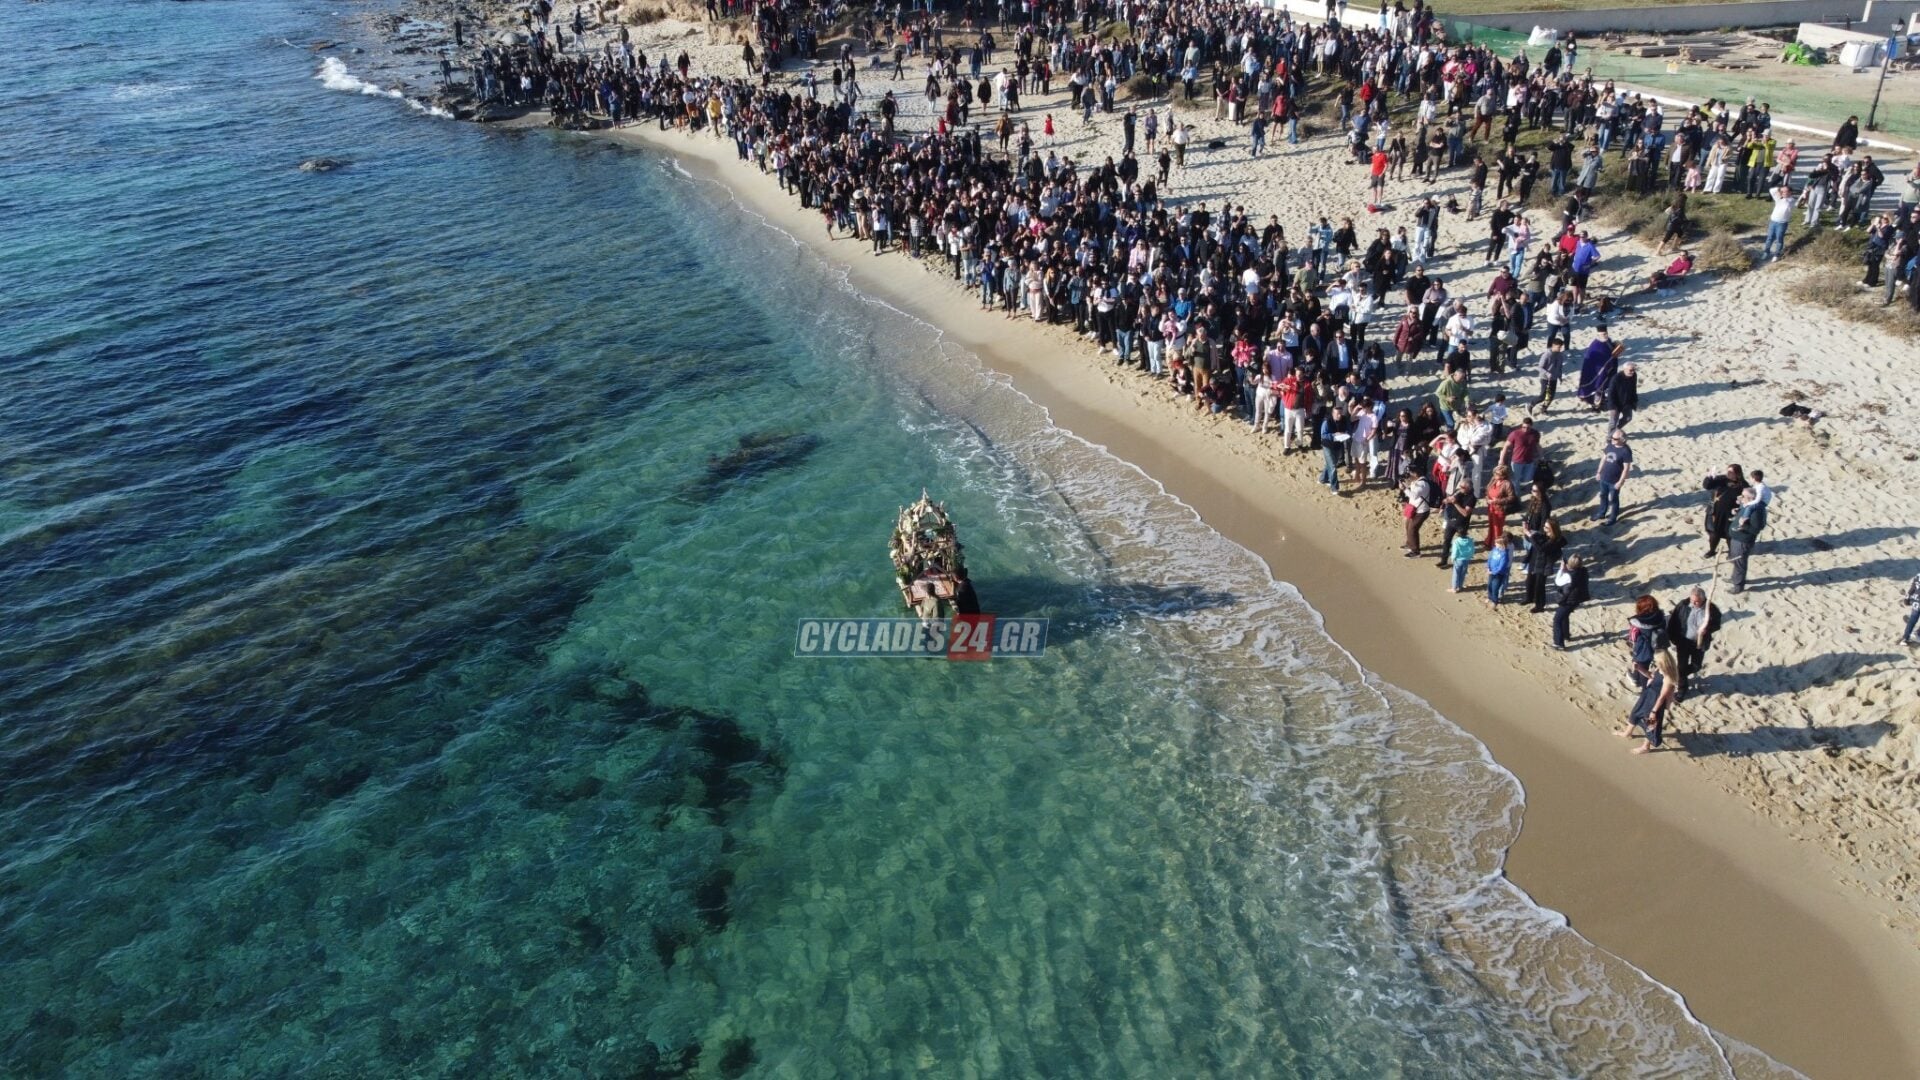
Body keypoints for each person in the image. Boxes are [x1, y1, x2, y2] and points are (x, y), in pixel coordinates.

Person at [1665, 587, 1722, 699]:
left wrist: (1707, 629)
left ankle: (1679, 675)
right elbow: (1673, 622)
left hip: (1699, 644)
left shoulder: (1711, 609)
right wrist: (1674, 639)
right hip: (1683, 642)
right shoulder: (1683, 605)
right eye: (1692, 600)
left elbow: (1717, 624)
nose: (1693, 603)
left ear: (1703, 599)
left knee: (1696, 666)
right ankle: (1682, 689)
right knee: (1682, 665)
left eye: (1696, 601)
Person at [1619, 649, 1679, 754]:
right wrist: (1639, 668)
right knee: (1635, 712)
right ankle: (1627, 732)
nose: (1654, 662)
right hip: (1647, 695)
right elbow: (1650, 675)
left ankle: (1646, 747)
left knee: (1651, 724)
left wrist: (1654, 711)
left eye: (1656, 661)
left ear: (1662, 661)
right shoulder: (1659, 669)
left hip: (1656, 702)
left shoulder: (1668, 677)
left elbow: (1662, 697)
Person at [1701, 463, 1747, 557]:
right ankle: (1712, 550)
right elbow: (1707, 486)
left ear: (1737, 474)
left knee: (1729, 535)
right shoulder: (1721, 479)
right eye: (1728, 471)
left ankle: (1731, 552)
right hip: (1715, 512)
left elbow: (1746, 500)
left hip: (1730, 514)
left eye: (1731, 472)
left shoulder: (1743, 485)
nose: (1728, 473)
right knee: (1714, 533)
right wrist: (1709, 477)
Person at [1727, 487, 1767, 592]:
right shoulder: (1747, 505)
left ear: (1750, 498)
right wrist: (1737, 512)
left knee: (1740, 562)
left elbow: (1755, 529)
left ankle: (1738, 586)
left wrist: (1743, 526)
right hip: (1736, 538)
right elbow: (1744, 516)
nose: (1740, 497)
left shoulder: (1756, 511)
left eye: (1743, 496)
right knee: (1736, 561)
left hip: (1742, 541)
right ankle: (1735, 578)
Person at [1553, 552, 1590, 649]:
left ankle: (1558, 643)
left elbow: (1557, 582)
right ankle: (1566, 635)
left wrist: (1561, 569)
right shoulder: (1583, 571)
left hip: (1568, 600)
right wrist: (1568, 570)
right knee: (1564, 616)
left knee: (1557, 620)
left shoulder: (1569, 576)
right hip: (1577, 599)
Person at [1595, 429, 1632, 526]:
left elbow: (1626, 469)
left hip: (1615, 481)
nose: (1612, 439)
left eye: (1615, 438)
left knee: (1613, 499)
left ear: (1622, 439)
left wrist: (1620, 482)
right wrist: (1598, 472)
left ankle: (1612, 518)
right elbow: (1603, 459)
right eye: (1611, 437)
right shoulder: (1610, 446)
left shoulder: (1626, 451)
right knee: (1603, 495)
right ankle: (1601, 513)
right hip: (1604, 477)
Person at [1626, 594, 1665, 684]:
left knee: (1641, 667)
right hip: (1658, 648)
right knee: (1648, 666)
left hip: (1643, 650)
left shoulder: (1637, 622)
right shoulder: (1660, 618)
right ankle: (1635, 676)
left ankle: (1640, 682)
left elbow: (1633, 637)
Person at [1485, 534, 1513, 605]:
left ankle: (1495, 601)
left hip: (1498, 574)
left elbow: (1502, 566)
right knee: (1489, 585)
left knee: (1495, 587)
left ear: (1501, 544)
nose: (1495, 544)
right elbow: (1490, 558)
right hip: (1491, 571)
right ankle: (1490, 597)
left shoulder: (1504, 554)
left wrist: (1493, 572)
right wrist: (1488, 567)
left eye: (1496, 543)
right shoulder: (1494, 549)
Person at [1903, 571, 1920, 645]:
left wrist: (1907, 599)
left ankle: (1905, 638)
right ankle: (1917, 633)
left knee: (1912, 619)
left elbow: (1912, 588)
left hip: (1916, 600)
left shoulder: (1918, 575)